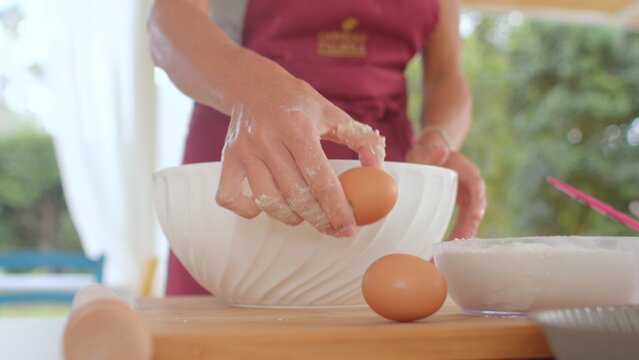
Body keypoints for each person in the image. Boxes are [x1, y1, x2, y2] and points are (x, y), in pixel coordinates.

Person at [148, 0, 487, 295]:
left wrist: (439, 142)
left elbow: (445, 73)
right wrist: (256, 87)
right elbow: (168, 21)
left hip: (378, 165)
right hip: (248, 148)